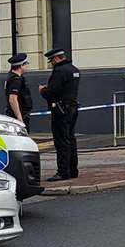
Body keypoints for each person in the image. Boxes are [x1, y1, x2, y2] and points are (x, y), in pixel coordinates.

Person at [40, 47, 81, 181]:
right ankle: (73, 170)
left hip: (60, 110)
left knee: (61, 141)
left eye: (51, 60)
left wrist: (43, 90)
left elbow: (53, 92)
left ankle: (63, 171)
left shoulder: (60, 71)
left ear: (57, 58)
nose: (51, 63)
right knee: (71, 139)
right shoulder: (74, 69)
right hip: (72, 107)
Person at [4, 52, 34, 128]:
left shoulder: (14, 78)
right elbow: (13, 99)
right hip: (19, 116)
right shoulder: (15, 80)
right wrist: (20, 119)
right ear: (21, 66)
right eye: (26, 64)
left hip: (19, 115)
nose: (27, 66)